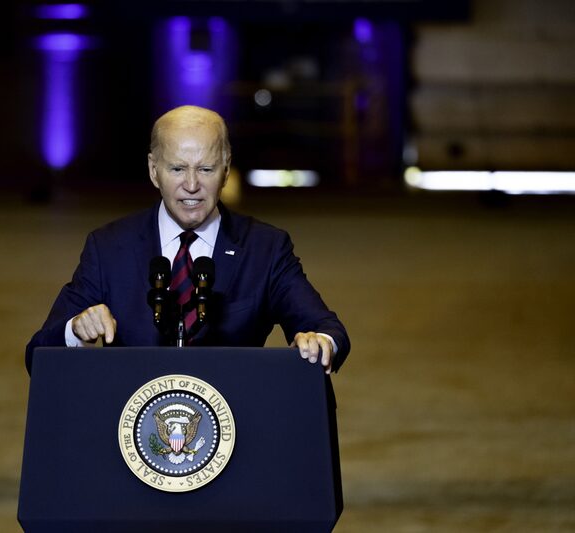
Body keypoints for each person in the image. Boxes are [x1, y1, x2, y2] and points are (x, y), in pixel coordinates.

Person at [26, 105, 349, 374]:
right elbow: (38, 352)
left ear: (226, 170)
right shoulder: (108, 247)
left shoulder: (265, 247)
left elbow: (328, 329)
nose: (191, 185)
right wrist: (76, 331)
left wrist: (318, 341)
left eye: (206, 169)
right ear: (154, 171)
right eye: (178, 169)